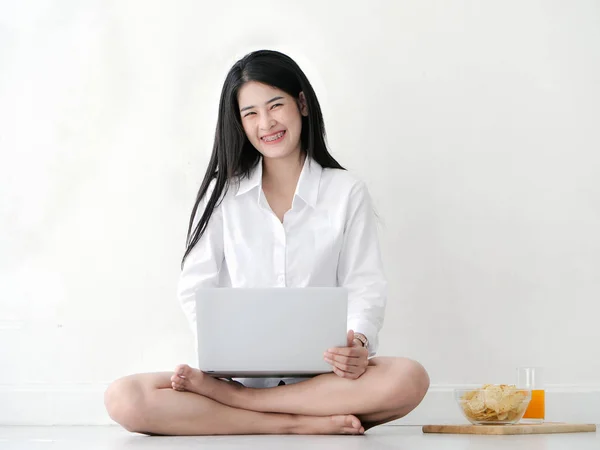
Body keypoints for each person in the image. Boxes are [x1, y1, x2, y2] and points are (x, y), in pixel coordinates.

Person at [104, 49, 429, 436]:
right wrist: (218, 353)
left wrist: (357, 342)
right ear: (239, 123)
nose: (266, 123)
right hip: (235, 376)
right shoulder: (223, 194)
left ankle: (249, 409)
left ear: (302, 104)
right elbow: (195, 286)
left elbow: (365, 284)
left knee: (410, 378)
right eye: (251, 113)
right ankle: (295, 425)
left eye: (276, 106)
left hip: (324, 381)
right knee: (124, 397)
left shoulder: (345, 191)